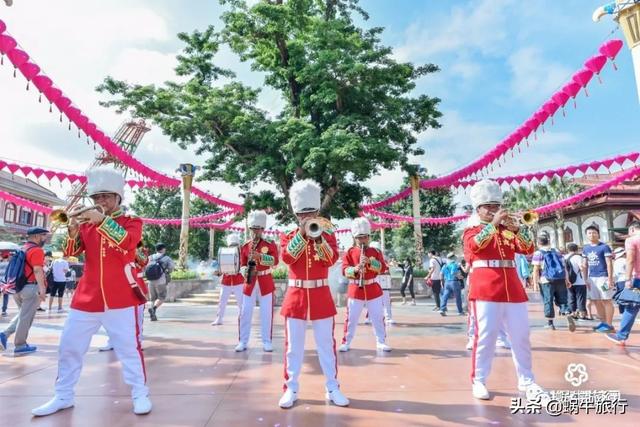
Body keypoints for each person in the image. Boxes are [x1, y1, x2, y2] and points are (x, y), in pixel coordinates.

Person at [31, 166, 151, 416]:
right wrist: (73, 230)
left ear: (118, 197)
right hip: (87, 297)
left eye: (105, 196)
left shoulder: (131, 222)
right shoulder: (87, 225)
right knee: (69, 346)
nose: (100, 201)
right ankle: (63, 395)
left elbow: (129, 244)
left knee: (129, 348)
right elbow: (71, 253)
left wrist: (104, 221)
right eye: (96, 198)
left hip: (121, 297)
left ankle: (140, 392)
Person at [463, 179, 547, 402]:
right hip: (485, 287)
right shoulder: (472, 230)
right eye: (488, 206)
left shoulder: (507, 231)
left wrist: (518, 228)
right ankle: (479, 379)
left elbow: (528, 248)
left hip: (512, 287)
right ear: (478, 209)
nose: (493, 209)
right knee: (486, 337)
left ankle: (527, 379)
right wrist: (493, 225)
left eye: (495, 205)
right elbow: (474, 247)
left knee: (521, 336)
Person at [278, 179, 348, 409]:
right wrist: (301, 234)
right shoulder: (288, 235)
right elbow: (287, 258)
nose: (307, 218)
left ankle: (332, 386)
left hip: (320, 294)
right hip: (296, 294)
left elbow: (330, 260)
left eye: (311, 213)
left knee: (326, 345)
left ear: (318, 212)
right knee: (293, 348)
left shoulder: (327, 235)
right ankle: (291, 387)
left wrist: (318, 240)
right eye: (302, 214)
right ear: (297, 215)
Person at [340, 218, 391, 353]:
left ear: (368, 237)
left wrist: (369, 263)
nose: (362, 240)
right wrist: (356, 269)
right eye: (359, 238)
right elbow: (344, 271)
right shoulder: (350, 252)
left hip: (373, 289)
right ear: (355, 238)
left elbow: (382, 268)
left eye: (364, 237)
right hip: (355, 289)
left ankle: (381, 341)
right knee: (351, 319)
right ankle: (346, 342)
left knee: (378, 318)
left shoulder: (376, 252)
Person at [0, 227, 48, 356]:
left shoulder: (21, 249)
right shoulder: (37, 250)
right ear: (37, 236)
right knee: (26, 318)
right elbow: (37, 270)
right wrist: (42, 289)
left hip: (18, 288)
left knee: (23, 315)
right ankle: (20, 345)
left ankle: (4, 335)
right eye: (44, 235)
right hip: (31, 288)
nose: (45, 238)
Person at [236, 210, 279, 352]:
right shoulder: (245, 246)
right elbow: (241, 264)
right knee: (245, 312)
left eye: (258, 229)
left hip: (265, 280)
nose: (255, 232)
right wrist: (244, 271)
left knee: (266, 313)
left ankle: (267, 341)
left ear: (262, 229)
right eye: (253, 229)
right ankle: (243, 341)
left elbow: (275, 261)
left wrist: (259, 256)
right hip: (250, 281)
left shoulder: (270, 244)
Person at [606, 221, 640, 345]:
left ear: (631, 230)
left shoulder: (631, 240)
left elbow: (630, 259)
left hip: (638, 279)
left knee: (632, 307)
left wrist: (627, 279)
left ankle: (621, 336)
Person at [531, 234, 574, 332]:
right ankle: (567, 312)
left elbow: (536, 269)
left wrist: (534, 284)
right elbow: (564, 267)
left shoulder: (538, 253)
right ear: (548, 242)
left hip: (546, 280)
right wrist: (567, 280)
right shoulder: (557, 252)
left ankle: (550, 323)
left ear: (538, 243)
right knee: (563, 299)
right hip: (560, 279)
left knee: (548, 300)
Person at [581, 225, 615, 333]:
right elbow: (585, 265)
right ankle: (604, 322)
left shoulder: (604, 247)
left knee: (607, 300)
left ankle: (609, 325)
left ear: (598, 234)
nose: (592, 235)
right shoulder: (585, 248)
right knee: (595, 301)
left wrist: (610, 279)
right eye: (589, 233)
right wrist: (585, 279)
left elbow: (609, 263)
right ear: (586, 235)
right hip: (592, 279)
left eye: (594, 232)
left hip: (603, 277)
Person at [211, 234, 244, 326]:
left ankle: (242, 318)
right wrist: (217, 272)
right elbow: (222, 267)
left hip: (239, 281)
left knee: (241, 302)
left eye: (235, 244)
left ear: (238, 244)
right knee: (222, 301)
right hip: (226, 281)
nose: (233, 246)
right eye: (231, 245)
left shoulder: (242, 254)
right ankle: (219, 318)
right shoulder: (224, 253)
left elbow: (243, 267)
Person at [147, 243, 175, 322]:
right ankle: (153, 309)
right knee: (162, 297)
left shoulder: (150, 257)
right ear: (162, 249)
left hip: (150, 280)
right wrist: (167, 271)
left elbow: (145, 266)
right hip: (160, 280)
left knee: (153, 298)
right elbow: (171, 268)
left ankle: (153, 315)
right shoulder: (166, 258)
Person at [370, 241, 394, 324]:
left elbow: (387, 271)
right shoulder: (369, 260)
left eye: (378, 250)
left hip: (384, 284)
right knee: (371, 301)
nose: (377, 252)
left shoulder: (384, 260)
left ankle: (388, 317)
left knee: (386, 301)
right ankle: (369, 317)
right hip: (373, 282)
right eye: (375, 250)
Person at [564, 243, 587, 319]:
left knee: (571, 297)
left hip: (569, 281)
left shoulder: (564, 257)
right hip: (580, 281)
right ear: (577, 249)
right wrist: (586, 279)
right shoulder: (578, 257)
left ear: (568, 249)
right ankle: (582, 314)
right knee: (580, 297)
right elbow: (582, 268)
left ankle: (572, 313)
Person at [612, 247, 627, 314]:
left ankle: (622, 312)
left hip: (619, 281)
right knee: (631, 297)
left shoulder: (615, 262)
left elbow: (614, 274)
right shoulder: (625, 260)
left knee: (621, 298)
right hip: (626, 280)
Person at [1, 252, 11, 316]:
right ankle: (4, 311)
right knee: (5, 297)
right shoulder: (9, 264)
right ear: (8, 257)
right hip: (5, 283)